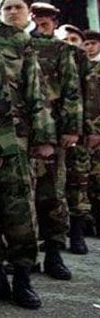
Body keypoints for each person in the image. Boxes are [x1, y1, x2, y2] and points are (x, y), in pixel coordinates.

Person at [0, 0, 55, 309]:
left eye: (18, 7)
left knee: (20, 209)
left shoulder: (22, 42)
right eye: (7, 7)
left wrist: (44, 137)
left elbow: (36, 89)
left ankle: (23, 278)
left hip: (17, 140)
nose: (12, 12)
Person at [28, 1, 82, 280]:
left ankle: (53, 253)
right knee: (21, 197)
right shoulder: (21, 44)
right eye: (38, 18)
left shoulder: (62, 50)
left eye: (47, 19)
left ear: (55, 22)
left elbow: (72, 89)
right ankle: (24, 256)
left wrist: (72, 128)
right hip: (22, 129)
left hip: (52, 129)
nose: (42, 23)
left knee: (52, 194)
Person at [56, 23, 95, 254]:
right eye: (65, 39)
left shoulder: (87, 67)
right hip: (54, 133)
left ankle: (78, 235)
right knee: (54, 188)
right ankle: (56, 236)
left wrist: (91, 130)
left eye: (74, 40)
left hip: (79, 133)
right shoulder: (52, 59)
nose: (69, 44)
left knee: (78, 183)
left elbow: (92, 99)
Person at [81, 30, 100, 233]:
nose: (89, 47)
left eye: (93, 43)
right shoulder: (79, 66)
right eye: (86, 44)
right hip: (82, 130)